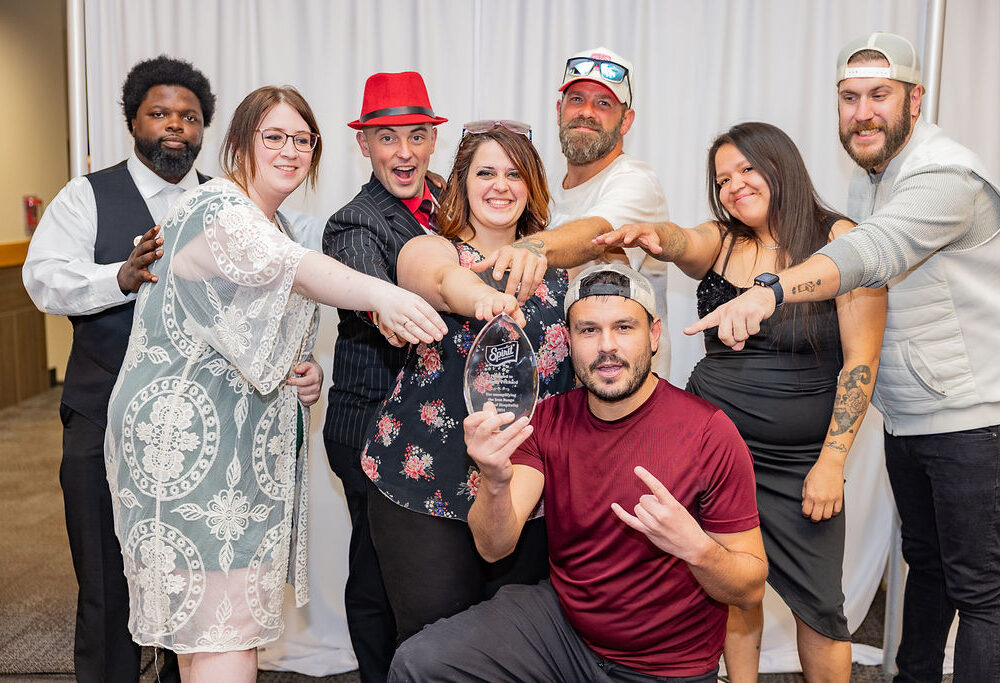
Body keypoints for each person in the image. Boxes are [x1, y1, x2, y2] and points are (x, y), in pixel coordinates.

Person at [103, 85, 446, 682]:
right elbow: (297, 271)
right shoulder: (217, 208)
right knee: (224, 635)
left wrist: (301, 370)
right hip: (187, 451)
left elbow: (241, 330)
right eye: (274, 137)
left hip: (231, 454)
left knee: (218, 631)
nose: (290, 151)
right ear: (240, 143)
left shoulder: (276, 223)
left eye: (302, 140)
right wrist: (384, 296)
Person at [688, 32, 1000, 682]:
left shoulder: (946, 176)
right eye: (849, 97)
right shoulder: (871, 179)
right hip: (908, 416)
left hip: (972, 418)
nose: (863, 113)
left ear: (915, 99)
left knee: (981, 591)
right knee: (928, 566)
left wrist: (770, 291)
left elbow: (869, 255)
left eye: (879, 95)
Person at [598, 122, 886, 682]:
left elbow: (861, 362)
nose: (734, 186)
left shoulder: (840, 240)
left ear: (781, 166)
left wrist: (831, 463)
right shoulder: (722, 239)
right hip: (715, 451)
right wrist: (654, 234)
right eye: (722, 179)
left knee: (821, 609)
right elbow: (682, 241)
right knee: (730, 589)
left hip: (801, 461)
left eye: (746, 169)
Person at [389, 263, 767, 682]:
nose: (607, 346)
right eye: (588, 330)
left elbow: (750, 589)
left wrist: (696, 548)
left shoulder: (707, 431)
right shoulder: (545, 419)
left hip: (665, 664)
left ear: (654, 334)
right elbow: (494, 547)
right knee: (421, 662)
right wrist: (494, 478)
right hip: (565, 632)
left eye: (624, 327)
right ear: (568, 341)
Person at [22, 55, 216, 683]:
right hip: (101, 413)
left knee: (192, 583)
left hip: (197, 426)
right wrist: (120, 278)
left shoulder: (222, 203)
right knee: (107, 582)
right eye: (160, 113)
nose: (175, 126)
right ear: (133, 120)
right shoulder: (87, 195)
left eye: (190, 117)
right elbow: (44, 279)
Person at [361, 122, 577, 645]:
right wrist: (483, 298)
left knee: (515, 648)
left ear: (532, 186)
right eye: (485, 173)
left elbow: (605, 229)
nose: (500, 185)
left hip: (525, 492)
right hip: (424, 482)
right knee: (433, 646)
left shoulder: (560, 274)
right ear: (461, 183)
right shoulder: (430, 247)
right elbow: (438, 279)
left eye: (515, 173)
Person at [321, 70, 448, 681]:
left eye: (416, 136)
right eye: (387, 138)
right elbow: (373, 298)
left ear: (433, 141)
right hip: (369, 425)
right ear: (364, 144)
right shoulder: (353, 222)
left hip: (431, 428)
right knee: (378, 573)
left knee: (427, 574)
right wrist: (393, 309)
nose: (404, 153)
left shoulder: (452, 199)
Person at [471, 47, 672, 378]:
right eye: (577, 99)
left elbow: (596, 234)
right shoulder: (544, 186)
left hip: (626, 388)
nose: (587, 112)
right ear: (559, 110)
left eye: (603, 103)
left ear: (626, 120)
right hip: (563, 384)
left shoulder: (636, 180)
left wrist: (528, 250)